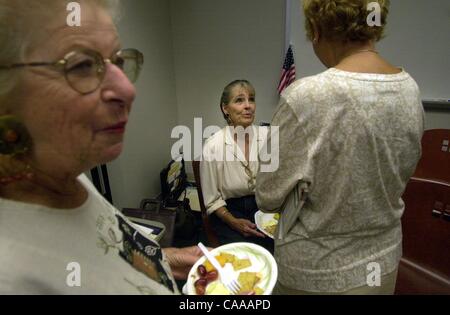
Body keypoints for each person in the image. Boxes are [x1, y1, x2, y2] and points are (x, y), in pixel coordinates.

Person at [0, 0, 202, 295]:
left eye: (118, 62)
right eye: (82, 65)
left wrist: (167, 261)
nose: (128, 90)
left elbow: (103, 252)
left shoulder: (63, 172)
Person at [256, 0, 424, 295]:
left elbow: (268, 195)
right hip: (381, 266)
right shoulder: (410, 90)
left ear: (317, 29)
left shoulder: (307, 96)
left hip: (315, 274)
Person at [200, 80, 274, 253]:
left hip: (264, 207)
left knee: (277, 252)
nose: (248, 106)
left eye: (252, 99)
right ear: (225, 108)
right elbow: (211, 200)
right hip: (229, 212)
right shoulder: (213, 146)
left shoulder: (268, 137)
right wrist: (233, 221)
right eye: (239, 100)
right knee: (246, 256)